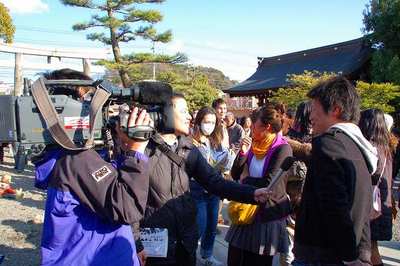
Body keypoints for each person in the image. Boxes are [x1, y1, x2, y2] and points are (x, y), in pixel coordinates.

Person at [33, 69, 152, 266]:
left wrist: (123, 149)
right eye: (90, 99)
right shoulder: (76, 159)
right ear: (67, 108)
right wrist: (136, 150)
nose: (98, 109)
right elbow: (126, 207)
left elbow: (110, 191)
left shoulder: (66, 155)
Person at [137, 93, 272, 266]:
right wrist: (136, 241)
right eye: (184, 111)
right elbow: (130, 201)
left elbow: (214, 182)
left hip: (184, 243)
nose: (189, 116)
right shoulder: (143, 150)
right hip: (153, 246)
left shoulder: (187, 149)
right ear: (165, 113)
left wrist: (251, 194)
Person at [293, 76, 378, 266]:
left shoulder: (328, 144)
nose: (311, 117)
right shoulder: (360, 147)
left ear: (335, 110)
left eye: (314, 110)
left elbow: (334, 206)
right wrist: (361, 255)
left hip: (321, 254)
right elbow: (363, 209)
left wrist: (349, 257)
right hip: (346, 252)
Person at [225, 104, 293, 266]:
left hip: (266, 216)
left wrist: (245, 180)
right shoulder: (253, 145)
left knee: (257, 262)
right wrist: (243, 152)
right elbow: (235, 174)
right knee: (235, 259)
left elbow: (270, 185)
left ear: (267, 127)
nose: (251, 128)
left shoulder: (283, 149)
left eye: (254, 124)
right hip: (245, 210)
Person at [190, 106, 235, 266]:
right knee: (200, 226)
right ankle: (190, 255)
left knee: (211, 225)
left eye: (212, 122)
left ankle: (207, 255)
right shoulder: (190, 141)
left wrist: (229, 156)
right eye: (206, 122)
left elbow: (222, 164)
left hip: (213, 188)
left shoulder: (214, 139)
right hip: (196, 189)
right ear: (199, 121)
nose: (209, 125)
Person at [359, 109, 393, 266]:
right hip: (382, 204)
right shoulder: (385, 147)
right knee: (372, 248)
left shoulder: (371, 148)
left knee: (368, 250)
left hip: (371, 206)